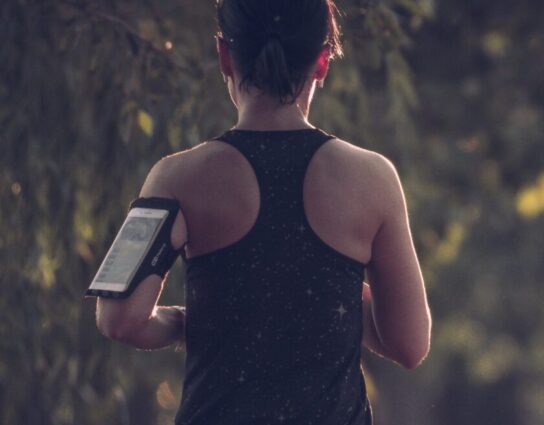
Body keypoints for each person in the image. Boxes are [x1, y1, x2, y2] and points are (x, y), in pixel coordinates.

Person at [93, 0, 432, 423]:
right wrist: (326, 288)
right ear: (323, 60)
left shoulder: (175, 177)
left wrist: (188, 321)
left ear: (224, 57)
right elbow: (409, 344)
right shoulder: (372, 179)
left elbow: (119, 319)